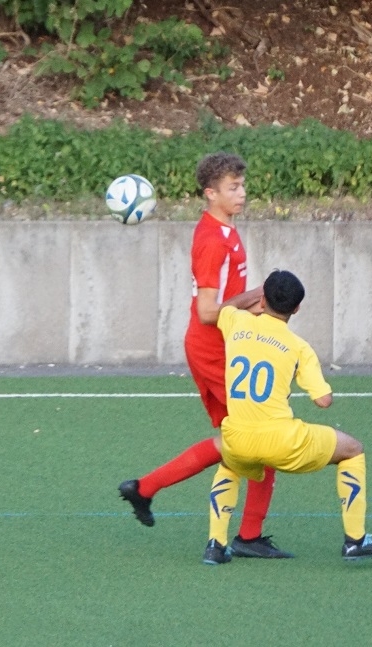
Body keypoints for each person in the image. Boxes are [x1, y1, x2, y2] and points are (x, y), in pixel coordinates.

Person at [118, 152, 292, 561]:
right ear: (210, 193)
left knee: (239, 440)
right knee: (262, 436)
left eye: (242, 185)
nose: (242, 193)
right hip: (213, 351)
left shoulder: (226, 229)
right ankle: (247, 536)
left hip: (223, 347)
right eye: (233, 188)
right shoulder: (214, 241)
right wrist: (255, 297)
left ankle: (144, 488)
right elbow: (208, 312)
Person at [202, 269, 372, 564]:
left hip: (237, 437)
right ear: (296, 309)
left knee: (230, 465)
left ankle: (215, 546)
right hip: (283, 442)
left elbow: (226, 308)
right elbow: (323, 401)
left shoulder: (236, 322)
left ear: (262, 300)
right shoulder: (298, 347)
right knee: (353, 450)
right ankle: (355, 540)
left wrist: (251, 298)